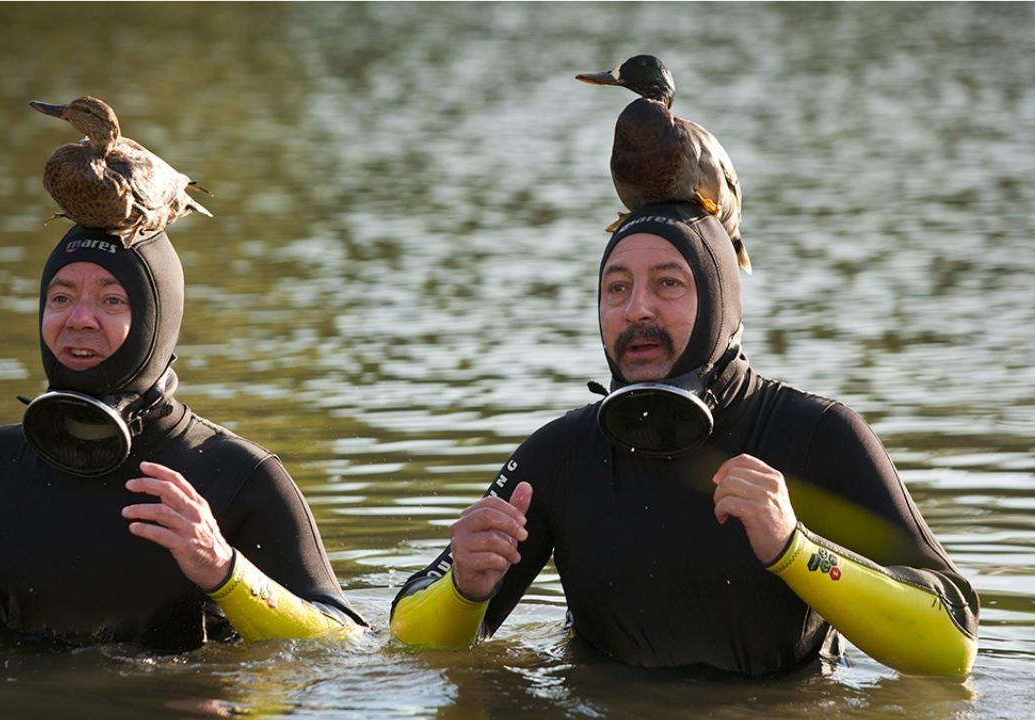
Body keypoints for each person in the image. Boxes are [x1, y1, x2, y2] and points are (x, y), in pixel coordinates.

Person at [389, 203, 978, 677]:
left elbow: (951, 643)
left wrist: (794, 550)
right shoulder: (562, 452)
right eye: (616, 289)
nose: (636, 309)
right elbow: (409, 644)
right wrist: (464, 588)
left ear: (720, 305)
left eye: (668, 284)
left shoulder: (815, 435)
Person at [0, 225, 365, 649]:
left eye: (112, 301)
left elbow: (342, 644)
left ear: (158, 322)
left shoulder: (236, 474)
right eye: (61, 297)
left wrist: (224, 571)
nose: (79, 320)